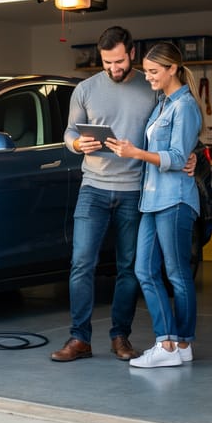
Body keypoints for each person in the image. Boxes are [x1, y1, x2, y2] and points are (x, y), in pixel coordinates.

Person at [51, 26, 157, 363]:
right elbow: (70, 131)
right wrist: (78, 143)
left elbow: (164, 134)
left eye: (119, 61)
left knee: (128, 267)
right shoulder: (85, 89)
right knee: (81, 264)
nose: (113, 68)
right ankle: (79, 338)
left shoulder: (151, 88)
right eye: (107, 62)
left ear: (132, 54)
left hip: (133, 191)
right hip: (93, 188)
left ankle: (120, 337)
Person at [105, 41, 203, 368]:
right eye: (146, 71)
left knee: (176, 274)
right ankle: (172, 343)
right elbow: (181, 153)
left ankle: (176, 344)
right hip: (151, 199)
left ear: (172, 69)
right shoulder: (162, 104)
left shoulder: (184, 106)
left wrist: (136, 153)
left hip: (174, 199)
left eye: (153, 71)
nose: (147, 77)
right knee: (144, 269)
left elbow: (176, 156)